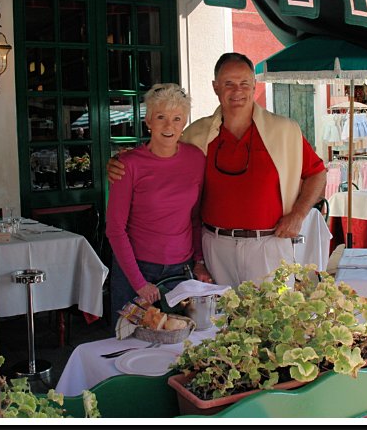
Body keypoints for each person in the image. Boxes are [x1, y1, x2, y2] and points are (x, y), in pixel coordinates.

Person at [109, 53, 327, 288]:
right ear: (215, 87)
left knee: (272, 320)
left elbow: (317, 172)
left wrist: (298, 214)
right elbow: (162, 157)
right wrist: (120, 163)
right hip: (214, 247)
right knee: (218, 322)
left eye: (244, 83)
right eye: (228, 83)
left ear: (254, 85)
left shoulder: (285, 130)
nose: (237, 91)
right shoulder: (197, 134)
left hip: (269, 245)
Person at [105, 84, 211, 321]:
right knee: (130, 346)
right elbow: (115, 229)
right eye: (161, 117)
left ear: (184, 123)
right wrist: (139, 283)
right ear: (148, 120)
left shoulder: (196, 159)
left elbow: (195, 218)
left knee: (179, 346)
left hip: (180, 271)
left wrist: (199, 261)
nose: (168, 126)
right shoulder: (127, 164)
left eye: (176, 118)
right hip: (136, 269)